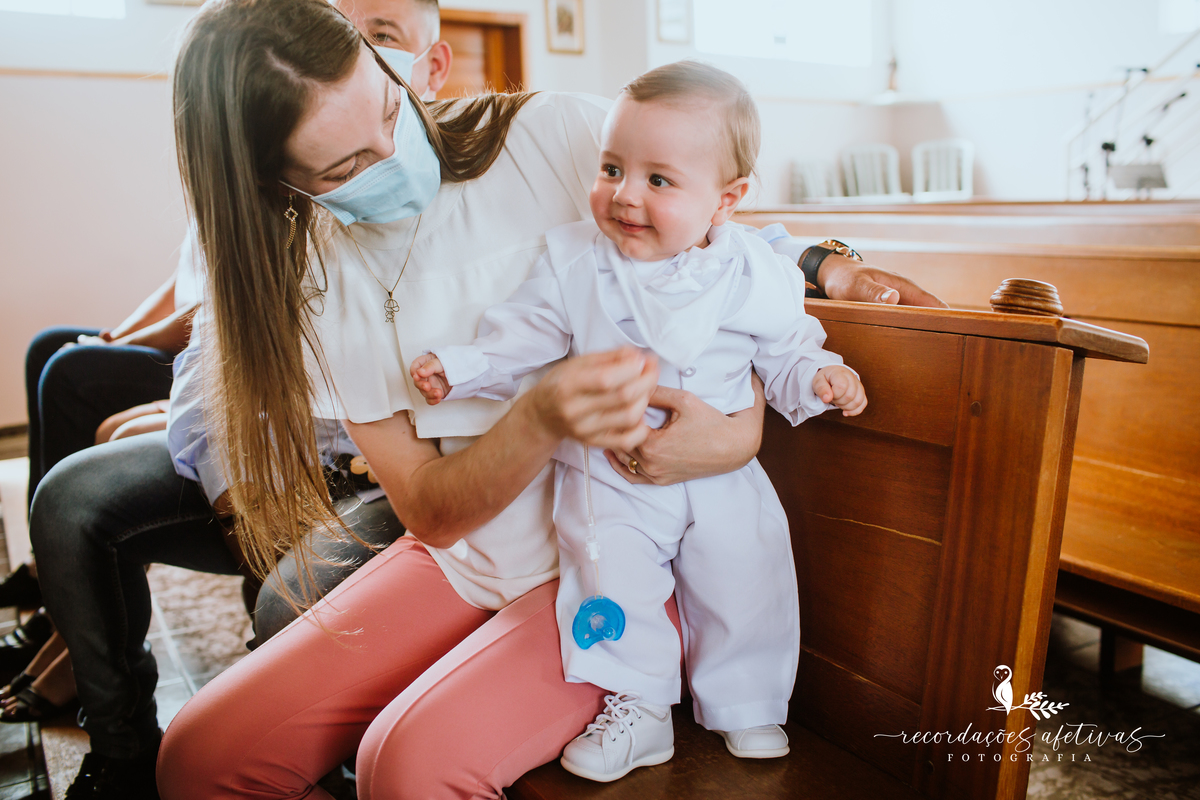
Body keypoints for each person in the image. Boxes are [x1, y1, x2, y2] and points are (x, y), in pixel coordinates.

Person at [149, 3, 942, 799]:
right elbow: (430, 509)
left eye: (391, 107)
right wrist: (539, 416)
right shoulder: (315, 280)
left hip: (622, 559)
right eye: (346, 167)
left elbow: (711, 235)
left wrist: (829, 272)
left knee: (407, 768)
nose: (398, 152)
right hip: (470, 551)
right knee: (200, 758)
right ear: (277, 184)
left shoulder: (556, 137)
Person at [27, 2, 457, 798]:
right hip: (287, 469)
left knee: (291, 606)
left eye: (383, 50)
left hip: (391, 477)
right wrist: (239, 503)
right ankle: (123, 756)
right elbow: (208, 373)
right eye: (338, 170)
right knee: (70, 499)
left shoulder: (455, 176)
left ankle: (317, 754)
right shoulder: (264, 214)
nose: (385, 159)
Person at [410, 61, 867, 782]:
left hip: (723, 472)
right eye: (612, 167)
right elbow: (523, 335)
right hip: (608, 474)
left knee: (748, 576)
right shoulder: (574, 261)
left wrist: (819, 377)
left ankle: (747, 701)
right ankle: (638, 707)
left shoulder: (753, 271)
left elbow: (785, 348)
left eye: (658, 180)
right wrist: (464, 367)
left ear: (726, 200)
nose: (624, 195)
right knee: (606, 577)